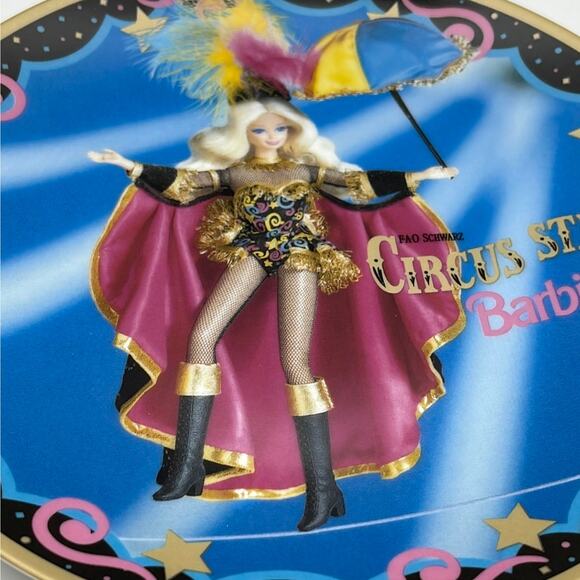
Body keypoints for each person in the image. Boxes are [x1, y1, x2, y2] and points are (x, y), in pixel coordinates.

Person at [88, 96, 459, 531]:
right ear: (243, 132)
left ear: (292, 131)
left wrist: (421, 176)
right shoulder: (236, 173)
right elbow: (184, 184)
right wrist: (130, 166)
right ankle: (188, 464)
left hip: (300, 257)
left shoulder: (305, 171)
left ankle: (322, 486)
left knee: (295, 361)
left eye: (278, 129)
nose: (270, 137)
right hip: (251, 252)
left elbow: (357, 184)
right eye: (259, 129)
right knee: (201, 337)